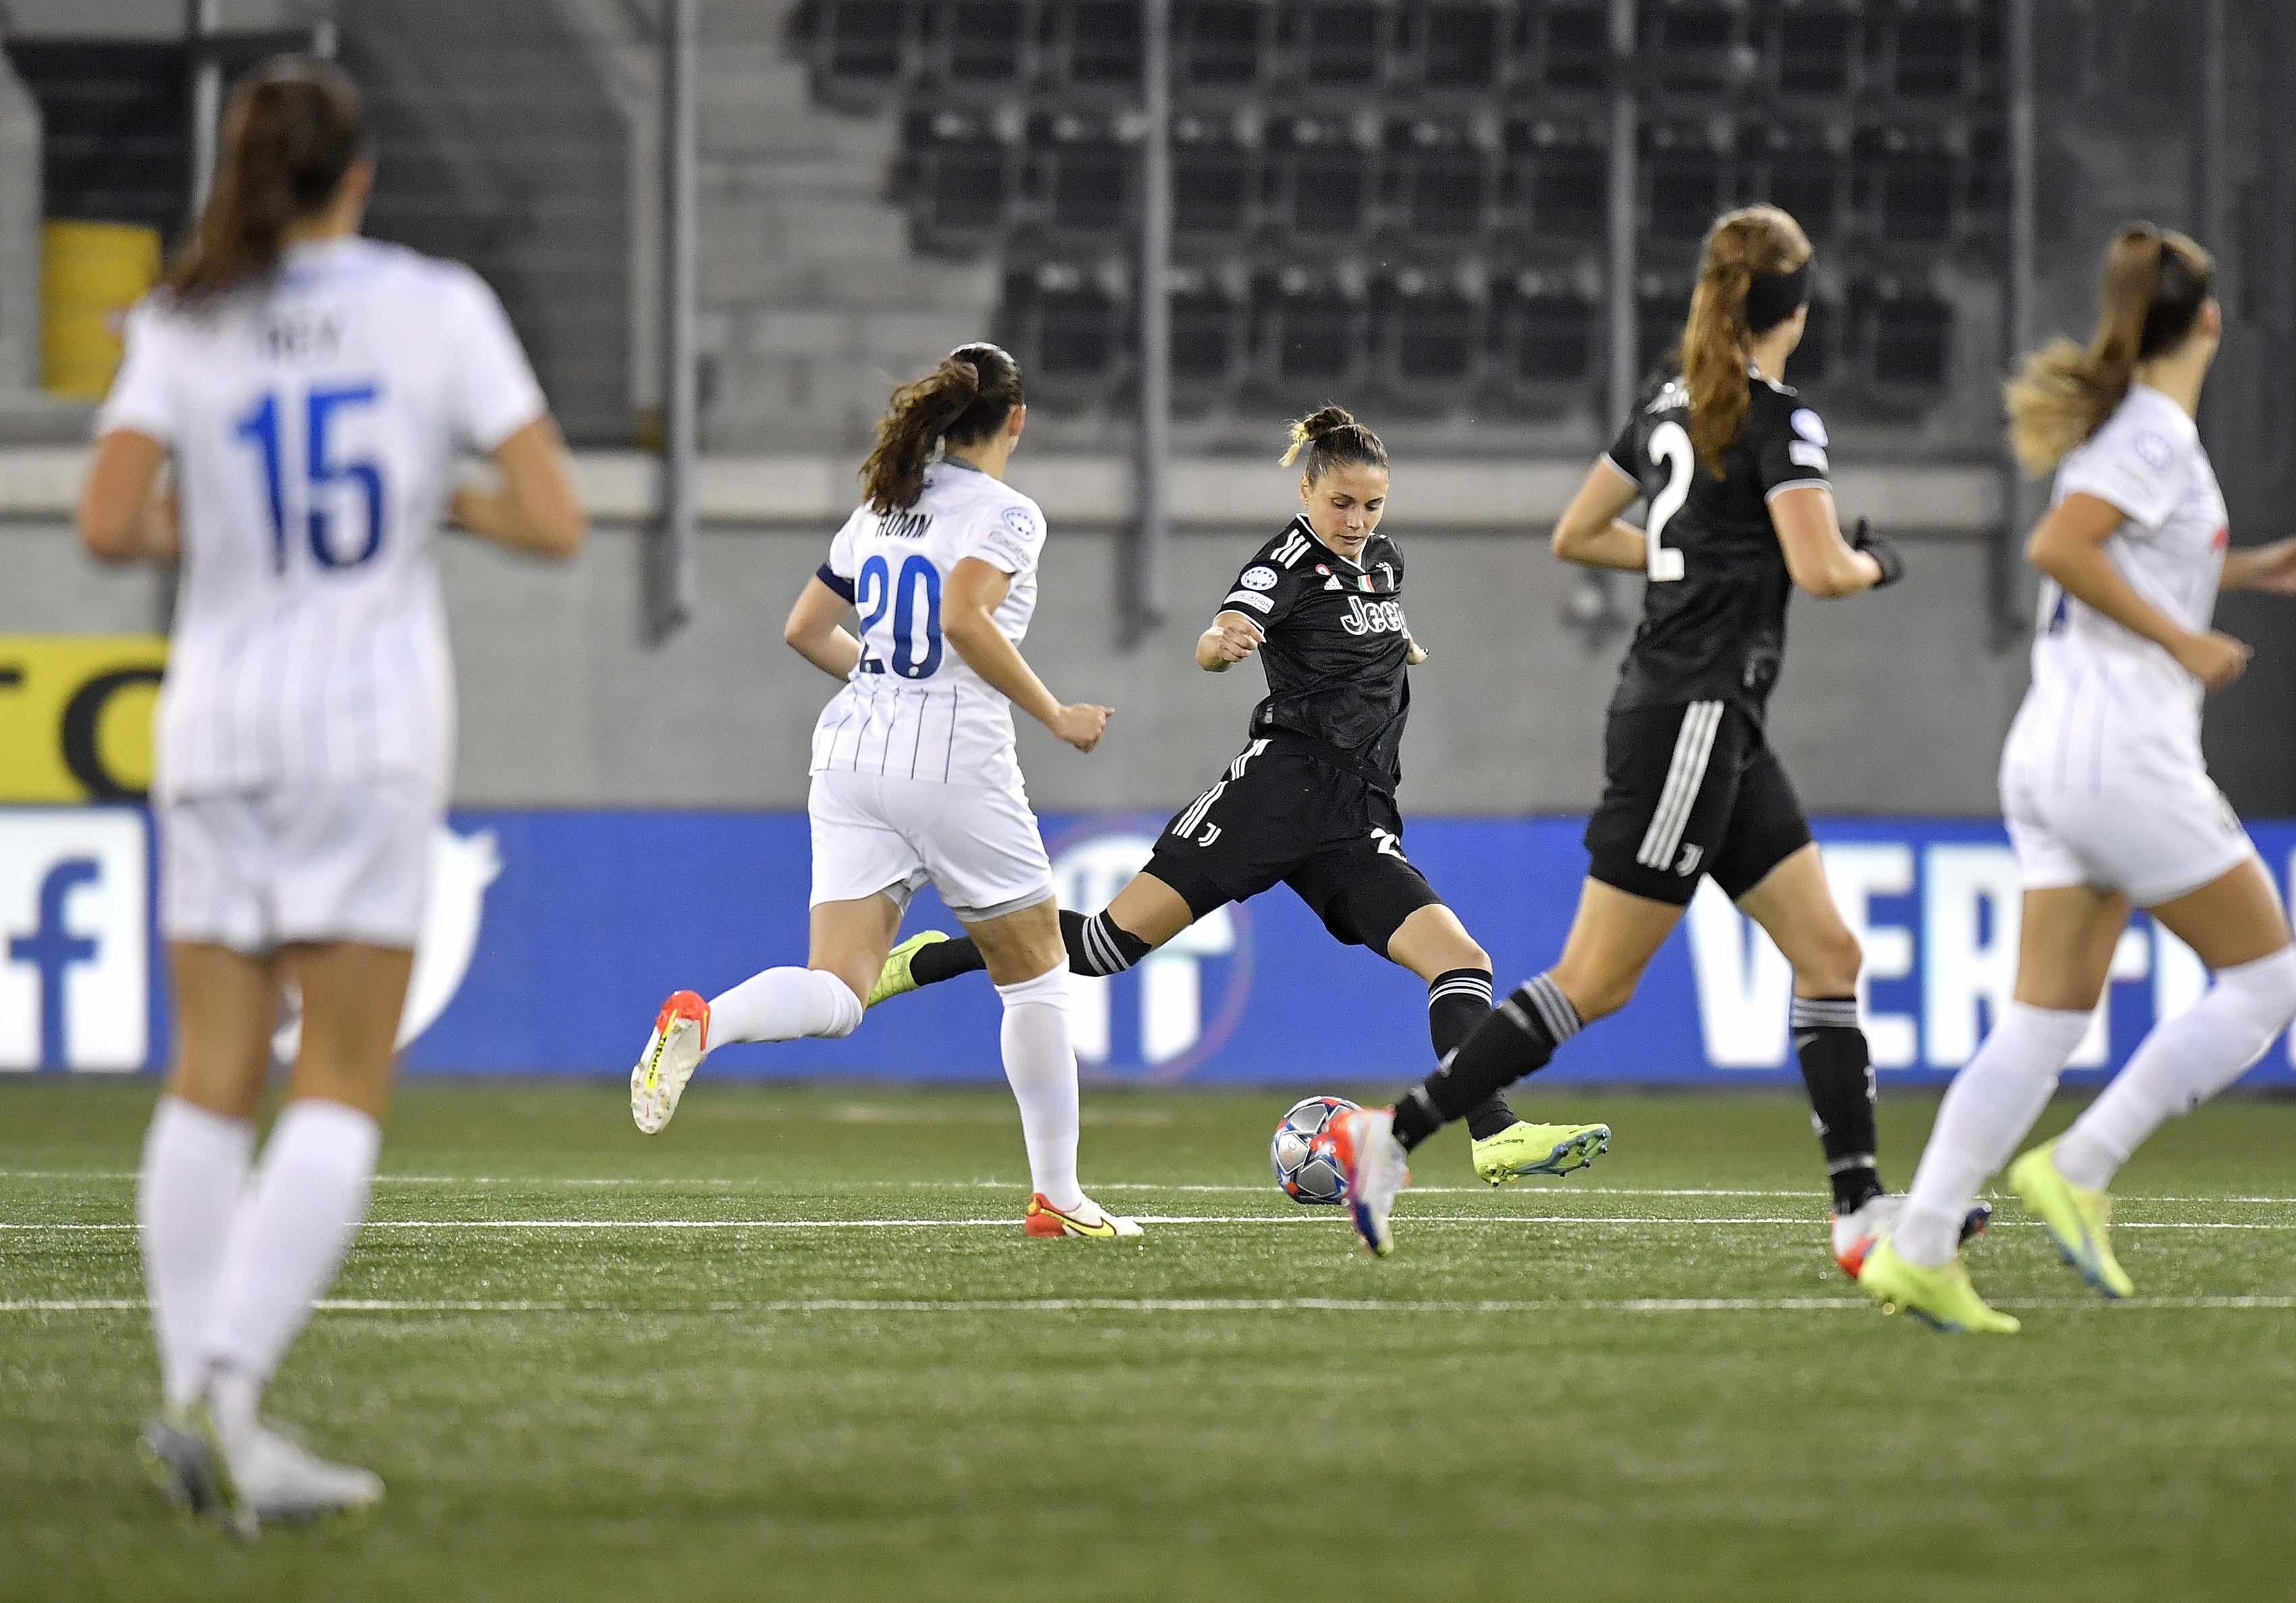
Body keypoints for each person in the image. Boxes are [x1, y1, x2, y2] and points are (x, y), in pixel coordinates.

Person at [83, 57, 586, 1531]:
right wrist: (440, 499)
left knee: (209, 1074)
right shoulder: (435, 308)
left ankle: (202, 1408)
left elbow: (108, 520)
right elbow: (552, 518)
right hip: (365, 735)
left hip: (217, 727)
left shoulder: (186, 316)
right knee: (340, 1082)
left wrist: (225, 524)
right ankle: (222, 1399)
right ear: (361, 176)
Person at [1329, 203, 1983, 1264]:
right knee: (1595, 980)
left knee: (1829, 951)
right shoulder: (1779, 418)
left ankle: (1862, 1214)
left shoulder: (1670, 406)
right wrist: (1878, 560)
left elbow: (1580, 532)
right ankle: (1389, 1136)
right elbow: (1823, 571)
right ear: (1799, 309)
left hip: (1716, 719)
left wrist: (1691, 557)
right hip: (1691, 713)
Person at [864, 406, 1613, 1185]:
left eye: (1372, 505)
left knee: (1462, 962)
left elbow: (1369, 627)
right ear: (1308, 490)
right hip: (1272, 800)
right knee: (1102, 950)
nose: (1357, 521)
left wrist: (1399, 648)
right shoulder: (1283, 563)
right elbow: (1223, 630)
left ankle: (1493, 1134)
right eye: (1341, 504)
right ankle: (933, 958)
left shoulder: (1384, 563)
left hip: (1353, 820)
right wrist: (1219, 646)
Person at [1857, 226, 2296, 1333]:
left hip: (2055, 752)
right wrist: (2182, 643)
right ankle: (2076, 1167)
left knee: (2042, 1020)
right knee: (2264, 984)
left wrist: (2252, 570)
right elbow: (2059, 547)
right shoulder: (2154, 434)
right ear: (2207, 323)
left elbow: (2125, 554)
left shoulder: (2137, 432)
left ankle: (1922, 1246)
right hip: (2120, 754)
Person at [629, 343, 1144, 1240]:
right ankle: (1057, 1197)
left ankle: (705, 1023)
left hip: (852, 752)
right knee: (1035, 980)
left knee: (841, 990)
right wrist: (1056, 713)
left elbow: (805, 628)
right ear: (1016, 422)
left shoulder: (881, 504)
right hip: (953, 759)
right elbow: (961, 617)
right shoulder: (1009, 515)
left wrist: (880, 680)